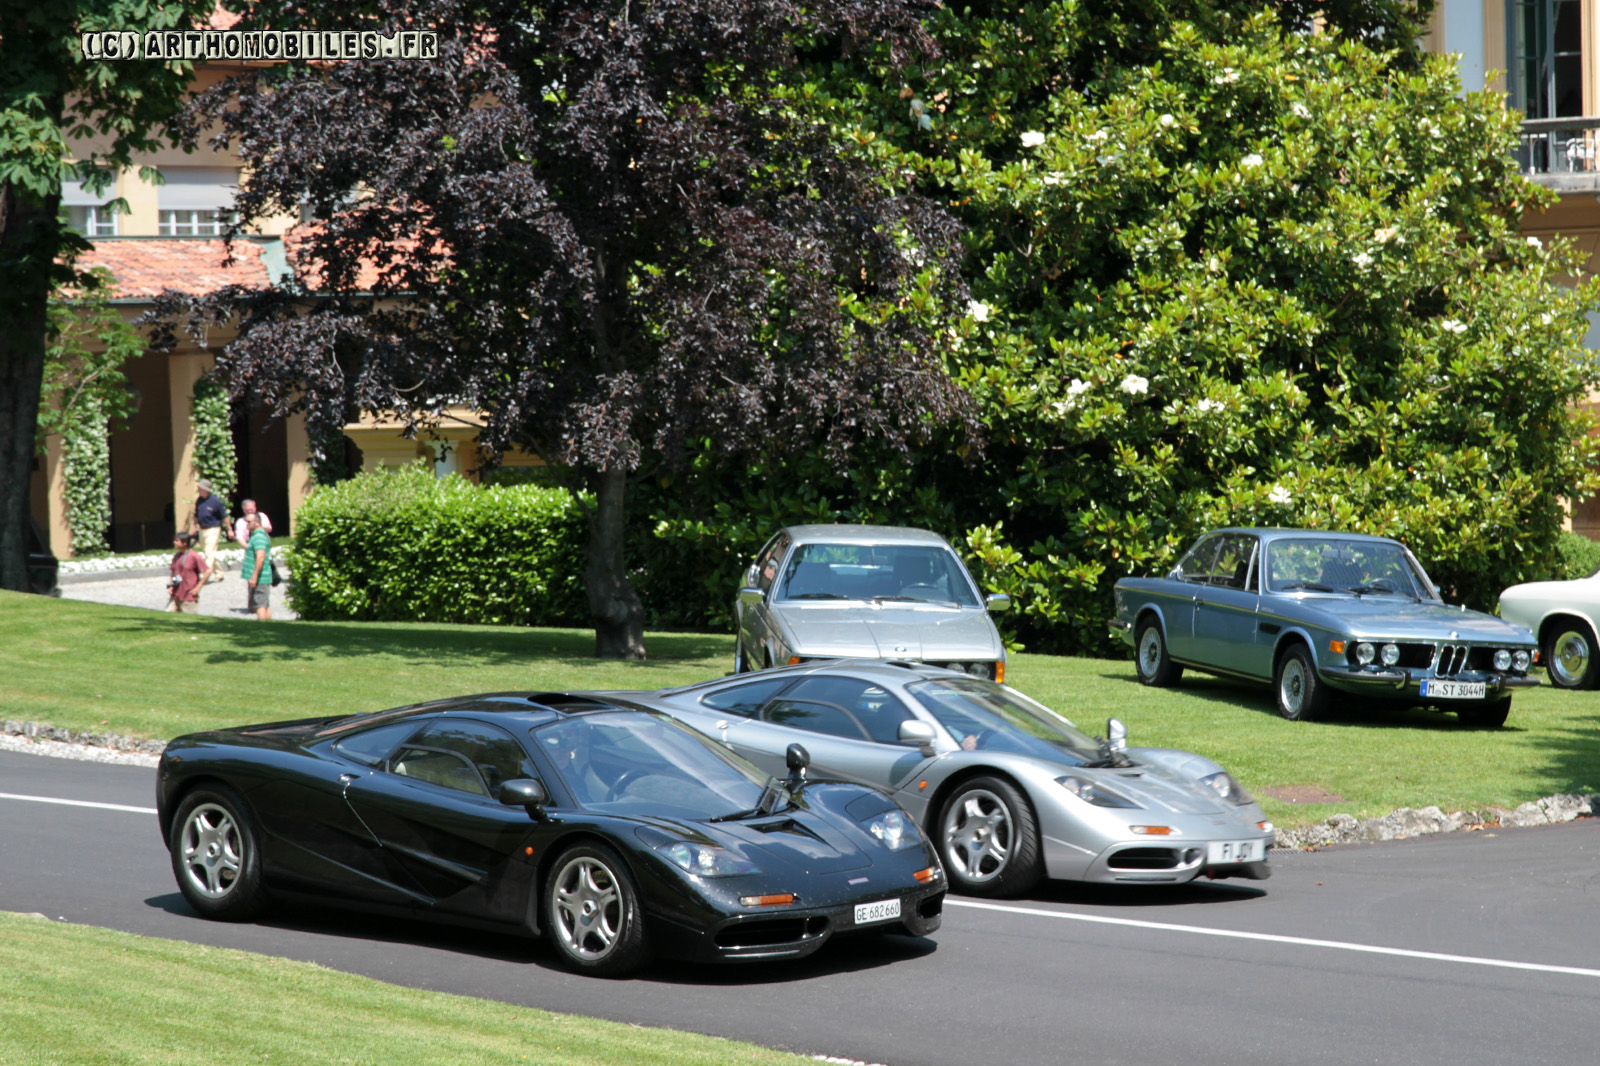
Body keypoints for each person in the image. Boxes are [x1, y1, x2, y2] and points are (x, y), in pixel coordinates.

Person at [189, 478, 227, 586]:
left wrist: (229, 529)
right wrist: (194, 527)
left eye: (200, 488)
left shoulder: (216, 501)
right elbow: (196, 515)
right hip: (202, 529)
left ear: (206, 490)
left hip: (213, 529)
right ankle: (219, 573)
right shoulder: (199, 500)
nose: (199, 490)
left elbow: (224, 516)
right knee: (208, 553)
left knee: (209, 552)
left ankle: (204, 574)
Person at [165, 532, 208, 613]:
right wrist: (171, 585)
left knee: (190, 619)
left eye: (177, 541)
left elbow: (207, 572)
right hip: (175, 595)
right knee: (168, 615)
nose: (174, 542)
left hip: (188, 597)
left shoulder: (194, 556)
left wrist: (198, 588)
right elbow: (173, 572)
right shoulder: (177, 556)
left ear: (185, 543)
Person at [241, 512, 273, 621]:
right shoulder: (256, 536)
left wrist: (254, 576)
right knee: (264, 604)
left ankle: (262, 628)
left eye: (249, 522)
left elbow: (260, 557)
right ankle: (269, 627)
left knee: (260, 605)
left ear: (257, 523)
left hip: (260, 578)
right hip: (259, 577)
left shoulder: (259, 537)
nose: (247, 524)